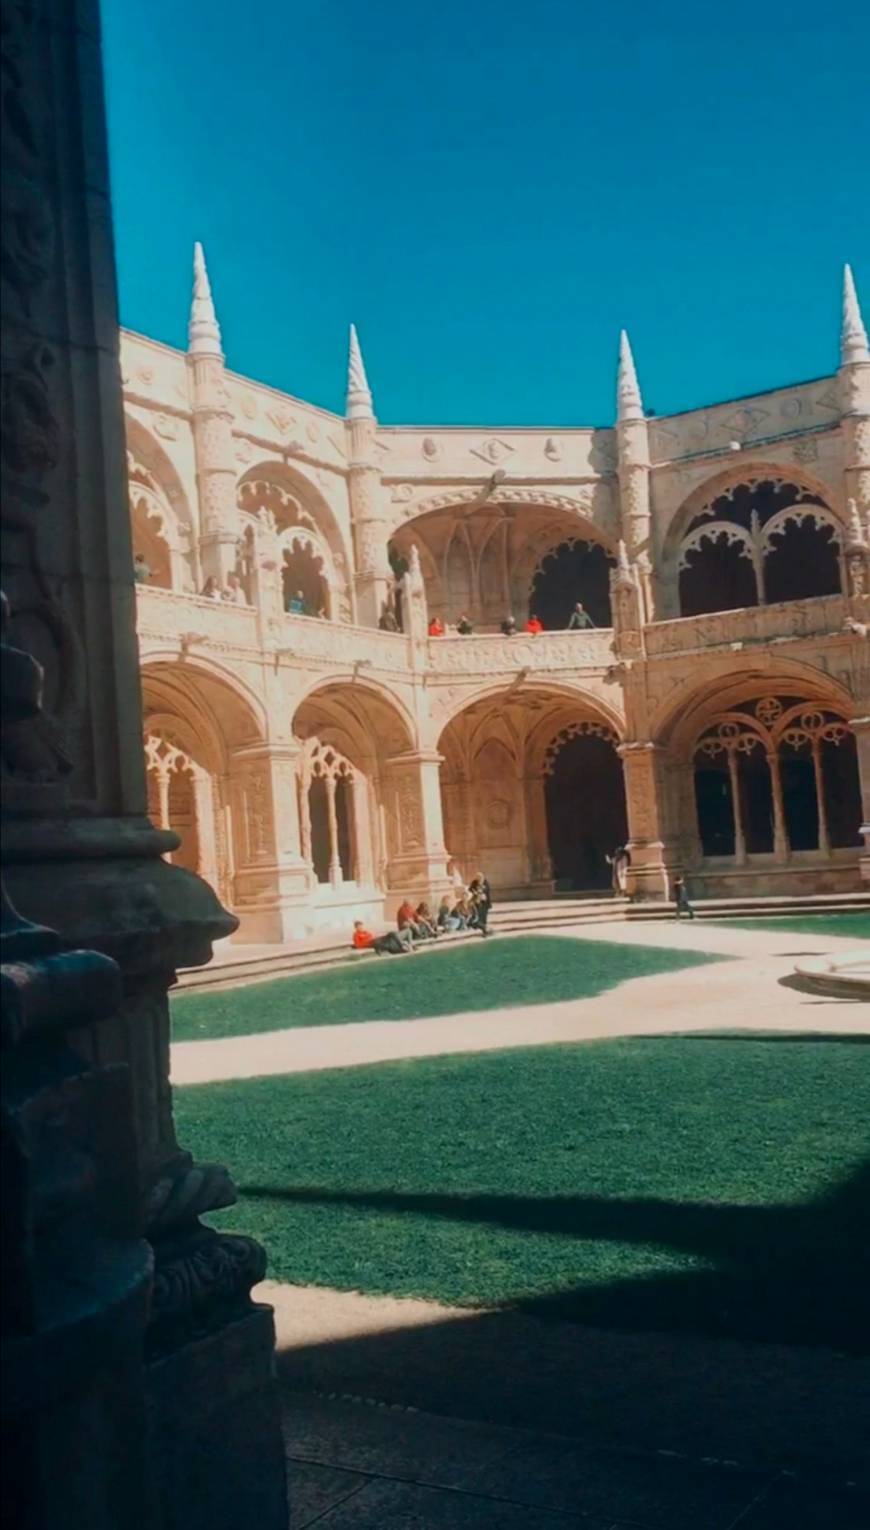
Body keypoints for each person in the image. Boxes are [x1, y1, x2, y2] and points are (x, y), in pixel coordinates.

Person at [468, 872, 492, 936]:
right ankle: (482, 927)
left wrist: (481, 891)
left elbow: (487, 890)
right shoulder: (474, 882)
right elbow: (470, 889)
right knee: (478, 914)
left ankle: (484, 928)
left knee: (484, 915)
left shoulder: (485, 882)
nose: (479, 879)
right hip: (477, 901)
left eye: (480, 877)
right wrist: (475, 892)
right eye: (478, 877)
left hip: (485, 902)